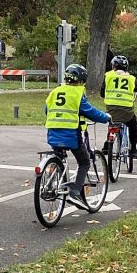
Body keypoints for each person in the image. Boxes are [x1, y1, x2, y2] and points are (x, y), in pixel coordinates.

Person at [44, 63, 110, 207]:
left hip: (53, 133)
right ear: (81, 80)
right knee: (84, 162)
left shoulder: (55, 91)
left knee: (59, 158)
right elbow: (90, 111)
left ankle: (49, 185)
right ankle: (75, 192)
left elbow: (46, 109)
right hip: (71, 134)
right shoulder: (77, 93)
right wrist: (106, 117)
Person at [101, 54, 137, 159]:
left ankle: (107, 145)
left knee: (112, 124)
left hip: (111, 110)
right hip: (127, 111)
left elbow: (102, 93)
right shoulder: (131, 78)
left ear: (113, 66)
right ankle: (134, 149)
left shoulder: (108, 76)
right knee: (134, 126)